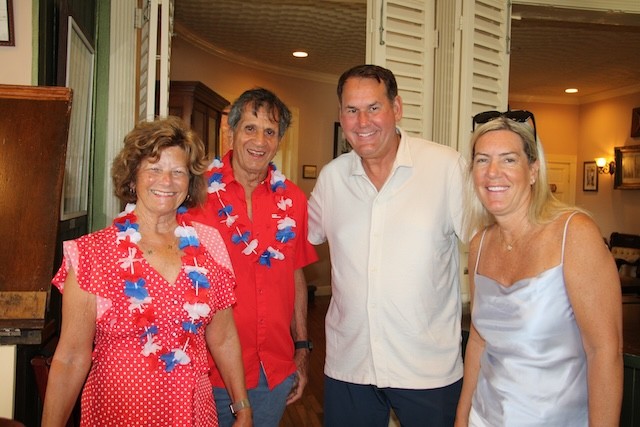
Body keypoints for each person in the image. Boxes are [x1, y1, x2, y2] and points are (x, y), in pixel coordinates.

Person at [42, 117, 251, 427]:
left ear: (190, 183)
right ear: (132, 178)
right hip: (117, 414)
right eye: (154, 169)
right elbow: (71, 357)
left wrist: (242, 407)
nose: (166, 181)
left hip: (192, 413)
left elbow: (223, 337)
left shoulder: (209, 244)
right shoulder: (93, 253)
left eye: (178, 171)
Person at [307, 64, 467, 426]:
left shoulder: (445, 166)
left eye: (374, 108)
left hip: (427, 369)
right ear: (341, 115)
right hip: (350, 366)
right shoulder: (333, 178)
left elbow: (490, 240)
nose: (362, 121)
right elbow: (292, 239)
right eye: (352, 110)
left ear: (396, 108)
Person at [454, 112, 623, 426]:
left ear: (533, 171)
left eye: (508, 160)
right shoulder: (479, 244)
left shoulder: (574, 234)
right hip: (483, 418)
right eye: (482, 160)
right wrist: (462, 417)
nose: (492, 172)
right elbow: (478, 340)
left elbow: (604, 351)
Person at [185, 88, 318, 427]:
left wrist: (302, 348)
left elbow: (295, 274)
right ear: (231, 131)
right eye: (250, 128)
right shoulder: (195, 194)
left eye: (270, 131)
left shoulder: (294, 200)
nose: (260, 141)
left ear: (279, 140)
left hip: (271, 372)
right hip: (206, 369)